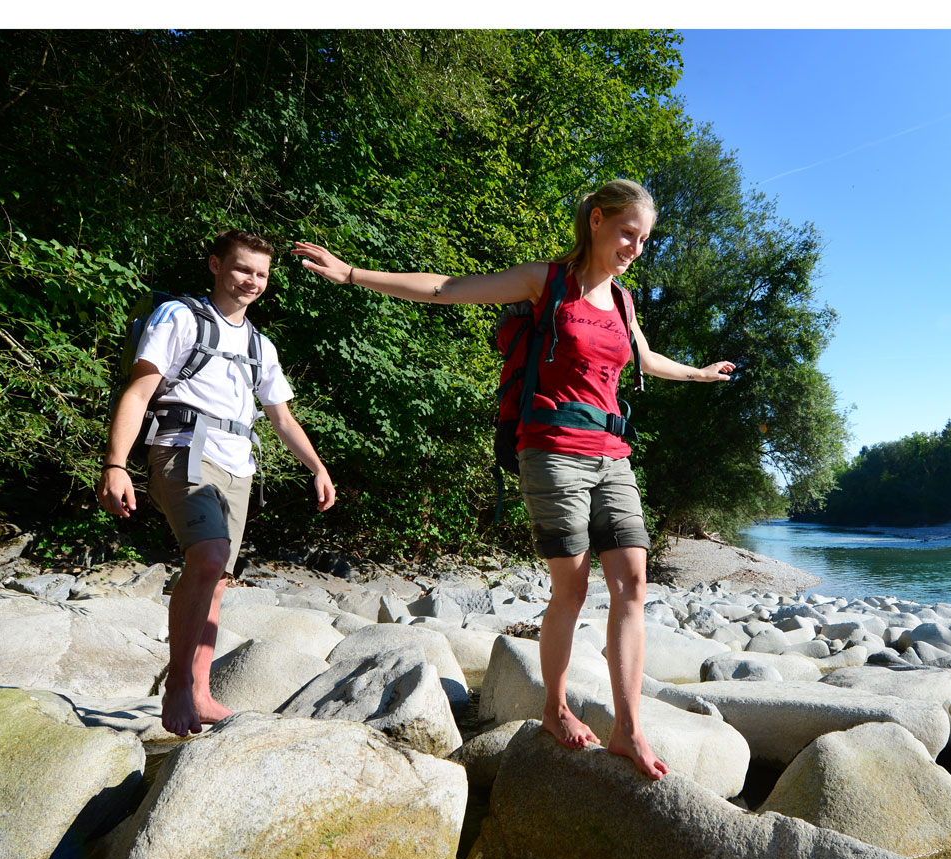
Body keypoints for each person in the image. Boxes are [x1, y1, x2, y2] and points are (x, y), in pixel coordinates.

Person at [290, 180, 733, 780]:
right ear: (597, 221)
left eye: (645, 238)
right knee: (572, 590)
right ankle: (554, 708)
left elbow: (646, 361)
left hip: (612, 453)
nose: (636, 246)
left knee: (633, 580)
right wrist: (350, 274)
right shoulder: (547, 282)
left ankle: (628, 728)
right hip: (551, 449)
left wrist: (702, 374)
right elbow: (448, 289)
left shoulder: (624, 304)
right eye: (628, 232)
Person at [99, 230, 337, 738]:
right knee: (207, 557)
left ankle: (202, 690)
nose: (252, 280)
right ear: (215, 265)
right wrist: (116, 464)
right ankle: (178, 687)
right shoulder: (180, 318)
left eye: (261, 273)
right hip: (183, 447)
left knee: (218, 577)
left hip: (239, 465)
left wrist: (317, 467)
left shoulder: (260, 345)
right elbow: (140, 391)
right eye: (242, 269)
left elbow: (283, 419)